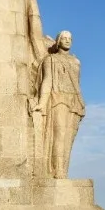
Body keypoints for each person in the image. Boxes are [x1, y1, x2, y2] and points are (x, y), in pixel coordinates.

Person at [32, 31, 86, 179]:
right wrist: (42, 103)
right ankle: (58, 170)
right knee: (59, 135)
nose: (67, 41)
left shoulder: (76, 62)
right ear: (58, 41)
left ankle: (64, 170)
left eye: (70, 39)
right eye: (64, 38)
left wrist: (81, 102)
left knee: (69, 139)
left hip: (74, 101)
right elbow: (47, 81)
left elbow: (77, 84)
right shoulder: (50, 60)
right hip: (58, 98)